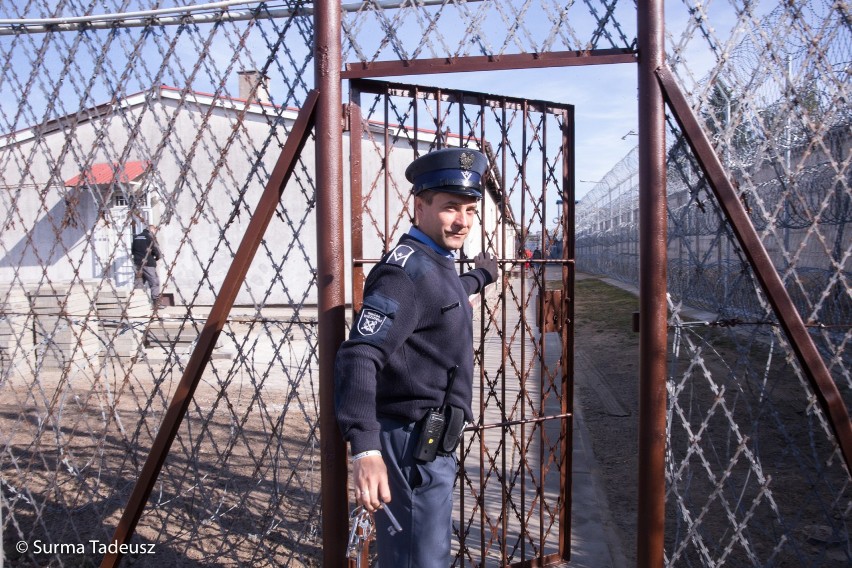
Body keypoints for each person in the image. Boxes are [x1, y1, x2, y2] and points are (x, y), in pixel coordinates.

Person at [334, 147, 499, 567]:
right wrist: (365, 449)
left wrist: (481, 276)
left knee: (427, 555)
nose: (462, 220)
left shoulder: (435, 262)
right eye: (449, 208)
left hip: (430, 441)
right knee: (418, 561)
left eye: (469, 209)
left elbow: (443, 295)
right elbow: (359, 356)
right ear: (420, 205)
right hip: (408, 444)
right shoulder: (402, 273)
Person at [131, 224, 162, 308]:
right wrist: (157, 257)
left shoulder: (136, 237)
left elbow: (133, 251)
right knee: (154, 282)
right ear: (152, 230)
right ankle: (156, 303)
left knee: (139, 284)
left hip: (137, 264)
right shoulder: (150, 237)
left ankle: (137, 304)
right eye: (155, 231)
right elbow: (156, 250)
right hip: (148, 263)